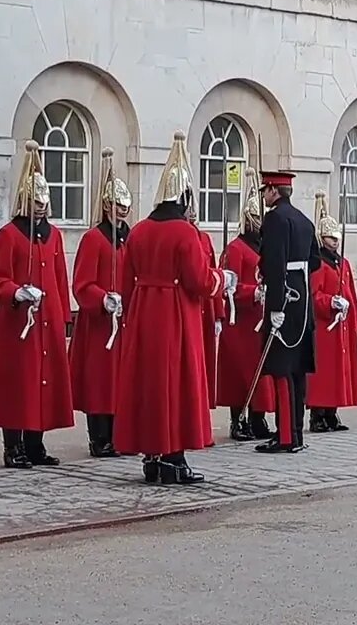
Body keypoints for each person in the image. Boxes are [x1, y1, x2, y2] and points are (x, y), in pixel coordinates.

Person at [113, 131, 234, 484]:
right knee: (176, 386)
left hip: (143, 315)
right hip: (176, 315)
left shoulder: (137, 231)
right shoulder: (185, 233)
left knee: (149, 385)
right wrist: (221, 280)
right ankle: (172, 456)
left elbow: (126, 281)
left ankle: (152, 456)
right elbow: (198, 280)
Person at [0, 140, 74, 468]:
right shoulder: (8, 235)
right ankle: (12, 445)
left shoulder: (55, 235)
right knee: (18, 385)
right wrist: (17, 292)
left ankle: (36, 443)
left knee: (44, 383)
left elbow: (60, 280)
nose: (41, 208)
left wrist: (62, 315)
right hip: (19, 323)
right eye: (36, 202)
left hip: (47, 320)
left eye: (45, 202)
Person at [69, 146, 132, 457]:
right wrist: (102, 299)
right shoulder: (93, 239)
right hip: (99, 325)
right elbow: (81, 284)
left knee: (122, 382)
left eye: (125, 206)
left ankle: (119, 434)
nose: (122, 211)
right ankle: (99, 438)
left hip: (124, 323)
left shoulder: (129, 239)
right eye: (118, 206)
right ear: (107, 206)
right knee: (100, 383)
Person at [254, 170, 320, 454]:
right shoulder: (304, 220)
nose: (263, 196)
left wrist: (276, 305)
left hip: (285, 298)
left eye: (264, 190)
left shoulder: (275, 219)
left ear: (274, 191)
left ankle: (285, 437)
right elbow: (315, 262)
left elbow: (275, 264)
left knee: (282, 368)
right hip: (302, 296)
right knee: (297, 371)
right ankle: (296, 432)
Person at [216, 167, 275, 442]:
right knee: (239, 374)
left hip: (260, 321)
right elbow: (230, 286)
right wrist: (253, 292)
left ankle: (258, 417)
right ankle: (238, 419)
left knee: (261, 372)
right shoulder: (236, 249)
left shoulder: (267, 247)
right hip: (240, 322)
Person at [306, 190, 357, 433]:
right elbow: (314, 295)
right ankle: (318, 414)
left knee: (340, 372)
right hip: (324, 326)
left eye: (336, 239)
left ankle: (332, 413)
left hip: (341, 324)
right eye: (330, 239)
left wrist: (354, 318)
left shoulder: (343, 263)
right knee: (323, 372)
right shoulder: (318, 264)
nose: (335, 242)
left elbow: (351, 292)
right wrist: (330, 302)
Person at [187, 194, 224, 418]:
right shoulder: (184, 236)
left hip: (205, 309)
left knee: (204, 368)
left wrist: (218, 314)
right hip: (190, 306)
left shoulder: (204, 239)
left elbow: (212, 270)